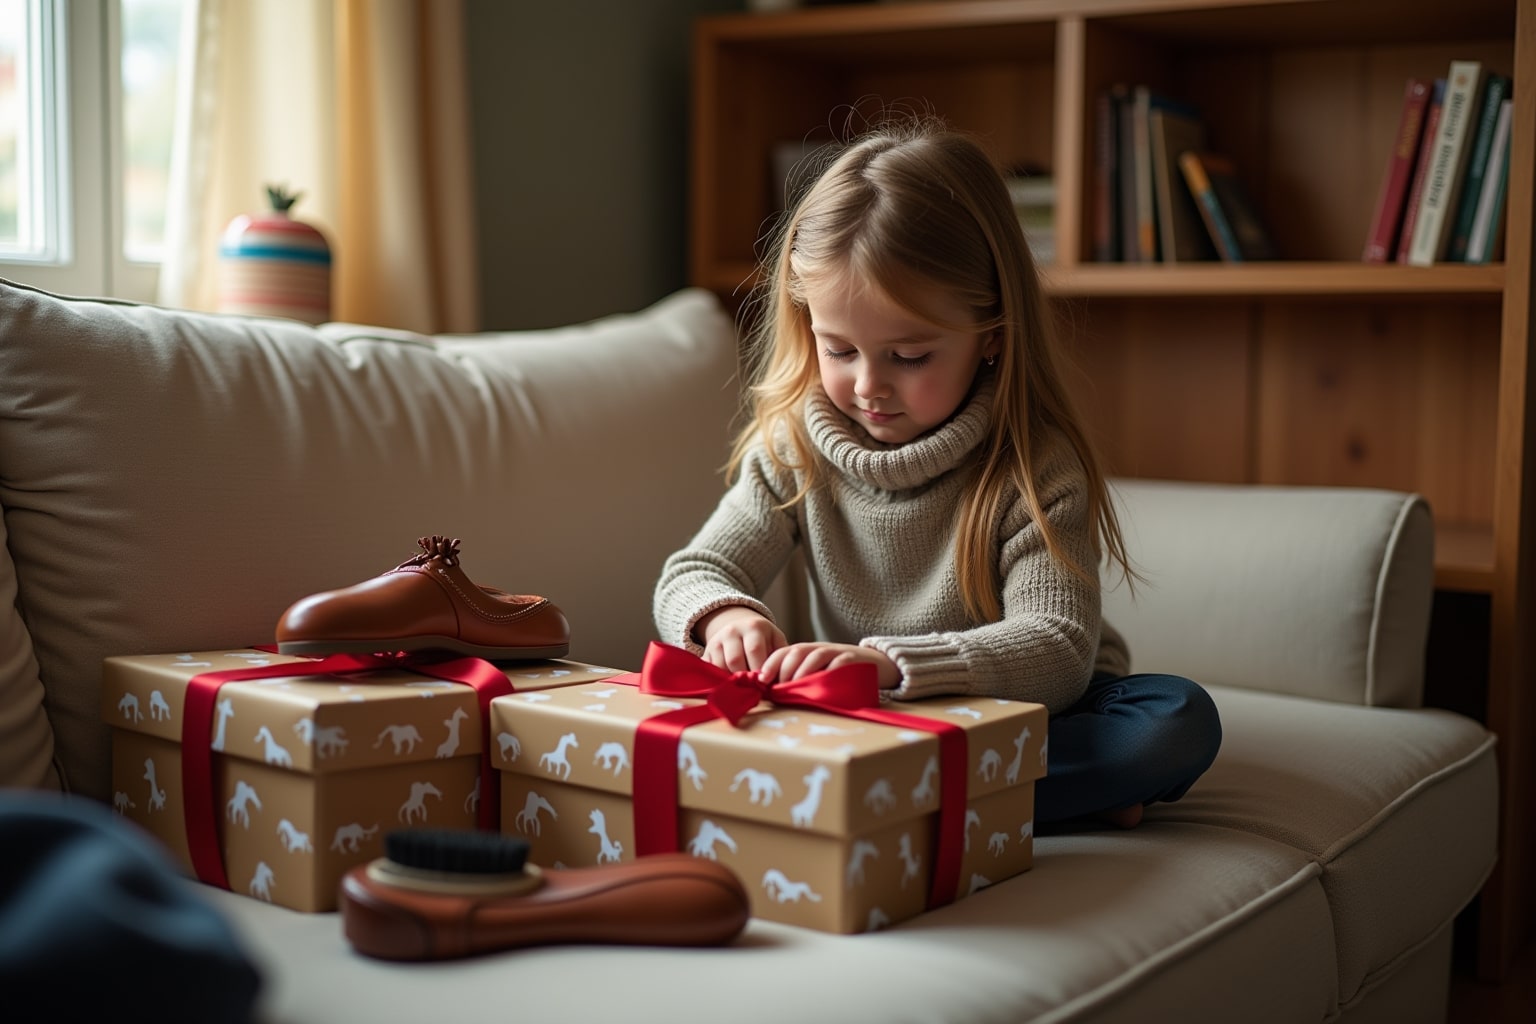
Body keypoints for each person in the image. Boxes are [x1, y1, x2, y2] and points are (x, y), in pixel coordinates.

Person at [653, 116, 1221, 828]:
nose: (868, 386)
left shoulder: (1036, 466)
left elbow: (1058, 646)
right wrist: (726, 615)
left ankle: (915, 800)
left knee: (1174, 719)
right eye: (839, 349)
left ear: (990, 337)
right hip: (884, 726)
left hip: (1040, 709)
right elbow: (693, 572)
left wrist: (890, 666)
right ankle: (1012, 800)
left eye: (909, 356)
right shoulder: (792, 449)